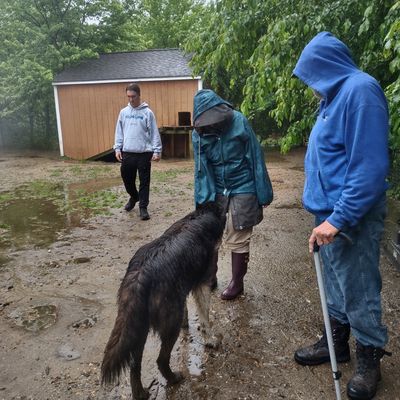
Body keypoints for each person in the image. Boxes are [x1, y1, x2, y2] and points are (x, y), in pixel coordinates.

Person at [292, 32, 391, 400]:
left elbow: (369, 167)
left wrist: (338, 219)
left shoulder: (361, 91)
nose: (309, 85)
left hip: (351, 218)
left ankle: (369, 359)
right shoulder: (331, 99)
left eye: (310, 74)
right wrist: (324, 216)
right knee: (334, 286)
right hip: (328, 215)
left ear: (325, 66)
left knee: (359, 288)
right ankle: (335, 343)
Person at [192, 89, 273, 300]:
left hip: (243, 184)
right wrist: (203, 203)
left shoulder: (239, 121)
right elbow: (202, 170)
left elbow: (255, 156)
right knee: (210, 232)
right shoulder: (198, 134)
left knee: (239, 233)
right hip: (218, 187)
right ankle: (210, 276)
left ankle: (237, 283)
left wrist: (263, 192)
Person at [114, 83, 162, 220]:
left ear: (139, 95)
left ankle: (143, 207)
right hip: (128, 152)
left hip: (144, 153)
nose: (131, 99)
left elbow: (154, 132)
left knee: (144, 181)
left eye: (133, 96)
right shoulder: (123, 113)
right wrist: (117, 148)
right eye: (128, 97)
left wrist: (157, 151)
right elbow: (119, 131)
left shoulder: (147, 113)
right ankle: (134, 197)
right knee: (127, 178)